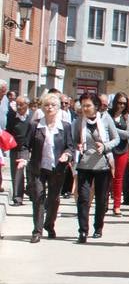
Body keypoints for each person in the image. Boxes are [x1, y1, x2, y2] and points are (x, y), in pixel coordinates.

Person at [19, 93, 76, 242]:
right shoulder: (35, 125)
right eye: (46, 105)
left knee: (53, 199)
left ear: (58, 108)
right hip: (38, 168)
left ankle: (49, 225)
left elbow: (70, 147)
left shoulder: (65, 126)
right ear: (42, 108)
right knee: (38, 197)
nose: (50, 108)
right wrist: (24, 159)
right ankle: (37, 231)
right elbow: (25, 146)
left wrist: (67, 155)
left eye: (53, 105)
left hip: (56, 168)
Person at [73, 92, 118, 243]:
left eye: (88, 105)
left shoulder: (106, 119)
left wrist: (105, 146)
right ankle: (83, 231)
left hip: (102, 165)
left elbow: (116, 138)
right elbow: (73, 141)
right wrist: (77, 145)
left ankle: (98, 227)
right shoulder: (79, 122)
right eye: (83, 105)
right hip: (84, 165)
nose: (85, 108)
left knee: (101, 199)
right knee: (84, 199)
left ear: (96, 107)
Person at [108, 92, 129, 216]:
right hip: (108, 149)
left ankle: (117, 205)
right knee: (106, 177)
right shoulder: (108, 115)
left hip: (122, 150)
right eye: (119, 103)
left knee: (118, 178)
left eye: (124, 104)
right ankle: (103, 203)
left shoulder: (127, 118)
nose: (122, 106)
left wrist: (112, 129)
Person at [7, 95, 32, 207]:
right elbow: (8, 131)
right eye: (17, 104)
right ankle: (18, 197)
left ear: (27, 105)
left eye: (21, 104)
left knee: (32, 173)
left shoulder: (32, 116)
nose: (18, 107)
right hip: (16, 149)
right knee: (17, 173)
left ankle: (31, 192)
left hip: (30, 148)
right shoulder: (12, 117)